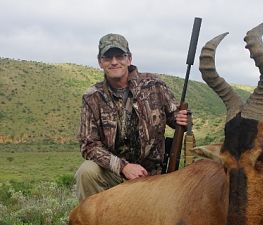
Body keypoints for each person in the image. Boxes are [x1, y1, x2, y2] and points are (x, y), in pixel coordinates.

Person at [75, 33, 188, 201]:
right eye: (108, 57)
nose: (114, 62)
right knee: (86, 172)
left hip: (153, 175)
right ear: (100, 62)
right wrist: (123, 167)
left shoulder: (154, 85)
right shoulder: (92, 97)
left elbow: (176, 118)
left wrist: (184, 119)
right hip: (114, 173)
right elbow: (88, 145)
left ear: (129, 59)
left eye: (120, 56)